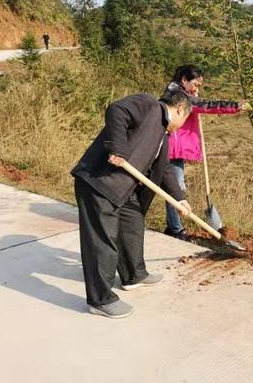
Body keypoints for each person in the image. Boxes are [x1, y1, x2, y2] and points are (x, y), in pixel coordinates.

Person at [71, 89, 193, 318]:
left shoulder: (162, 135)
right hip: (100, 183)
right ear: (180, 109)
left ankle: (133, 274)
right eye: (185, 119)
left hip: (124, 190)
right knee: (102, 241)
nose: (183, 124)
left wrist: (179, 199)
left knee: (133, 225)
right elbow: (117, 110)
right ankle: (100, 299)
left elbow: (164, 169)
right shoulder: (148, 105)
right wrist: (118, 147)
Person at [162, 65, 243, 240]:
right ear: (184, 80)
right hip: (168, 148)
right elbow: (206, 105)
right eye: (195, 84)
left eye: (199, 85)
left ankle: (173, 227)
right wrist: (236, 106)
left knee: (173, 188)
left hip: (173, 150)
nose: (197, 88)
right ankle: (176, 230)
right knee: (176, 189)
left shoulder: (181, 93)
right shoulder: (177, 95)